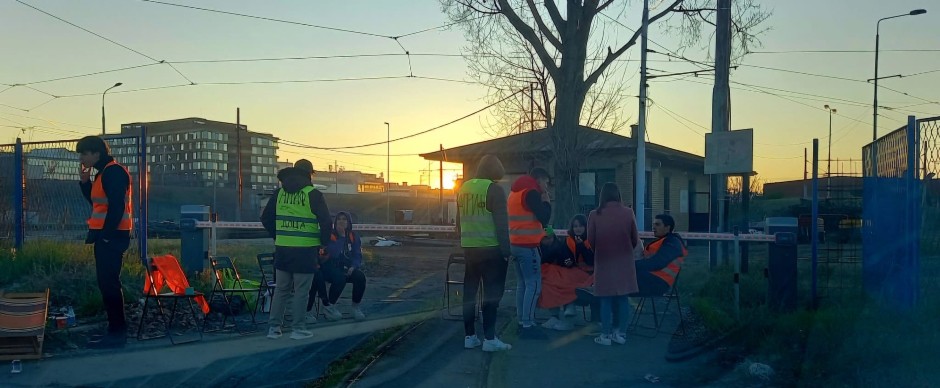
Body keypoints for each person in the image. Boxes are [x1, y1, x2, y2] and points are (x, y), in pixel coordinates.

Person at [261, 159, 332, 340]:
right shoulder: (313, 194)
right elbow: (326, 222)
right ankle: (298, 329)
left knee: (281, 289)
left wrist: (278, 235)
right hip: (305, 251)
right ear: (309, 174)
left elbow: (266, 218)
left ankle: (274, 328)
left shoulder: (279, 193)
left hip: (283, 249)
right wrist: (324, 244)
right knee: (301, 291)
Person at [77, 136, 133, 349]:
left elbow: (117, 207)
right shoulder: (102, 173)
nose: (81, 158)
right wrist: (85, 183)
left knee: (109, 284)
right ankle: (115, 331)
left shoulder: (113, 172)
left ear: (96, 153)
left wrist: (107, 236)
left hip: (113, 236)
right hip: (107, 235)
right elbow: (98, 204)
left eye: (84, 153)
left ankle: (117, 333)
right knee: (106, 283)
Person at [457, 155, 513, 352]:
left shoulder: (463, 189)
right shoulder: (494, 190)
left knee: (469, 294)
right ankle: (490, 339)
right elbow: (501, 224)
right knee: (491, 296)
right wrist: (506, 251)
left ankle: (470, 336)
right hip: (491, 251)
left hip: (470, 250)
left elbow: (459, 222)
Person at [587, 182, 640, 346]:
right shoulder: (628, 213)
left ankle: (605, 335)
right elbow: (634, 238)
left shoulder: (594, 214)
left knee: (605, 299)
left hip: (604, 261)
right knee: (623, 298)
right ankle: (621, 333)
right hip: (624, 261)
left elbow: (591, 240)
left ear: (602, 195)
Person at [508, 166, 552, 339]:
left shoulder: (515, 193)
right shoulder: (531, 193)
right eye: (546, 182)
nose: (547, 186)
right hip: (528, 246)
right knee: (533, 285)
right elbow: (544, 218)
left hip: (515, 244)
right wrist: (546, 202)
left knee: (522, 284)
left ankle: (522, 320)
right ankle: (527, 324)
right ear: (539, 180)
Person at [308, 211, 367, 321]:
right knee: (340, 278)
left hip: (346, 267)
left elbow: (357, 254)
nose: (341, 221)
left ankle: (355, 307)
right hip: (329, 266)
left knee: (360, 277)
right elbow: (333, 253)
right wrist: (342, 237)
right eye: (339, 219)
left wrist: (353, 266)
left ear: (348, 222)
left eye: (344, 219)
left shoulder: (353, 236)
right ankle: (330, 306)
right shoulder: (330, 235)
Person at [539, 215, 594, 331]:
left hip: (588, 274)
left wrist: (581, 246)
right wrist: (567, 262)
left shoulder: (591, 240)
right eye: (575, 226)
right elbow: (563, 257)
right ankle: (556, 315)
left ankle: (569, 308)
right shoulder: (568, 241)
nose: (578, 229)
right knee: (550, 281)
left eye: (581, 226)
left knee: (566, 281)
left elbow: (591, 260)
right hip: (570, 271)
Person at [635, 214, 687, 296]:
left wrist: (631, 265)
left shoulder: (673, 243)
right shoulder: (667, 241)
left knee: (619, 283)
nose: (653, 227)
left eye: (657, 224)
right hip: (651, 278)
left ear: (667, 227)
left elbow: (657, 263)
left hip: (658, 283)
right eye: (653, 224)